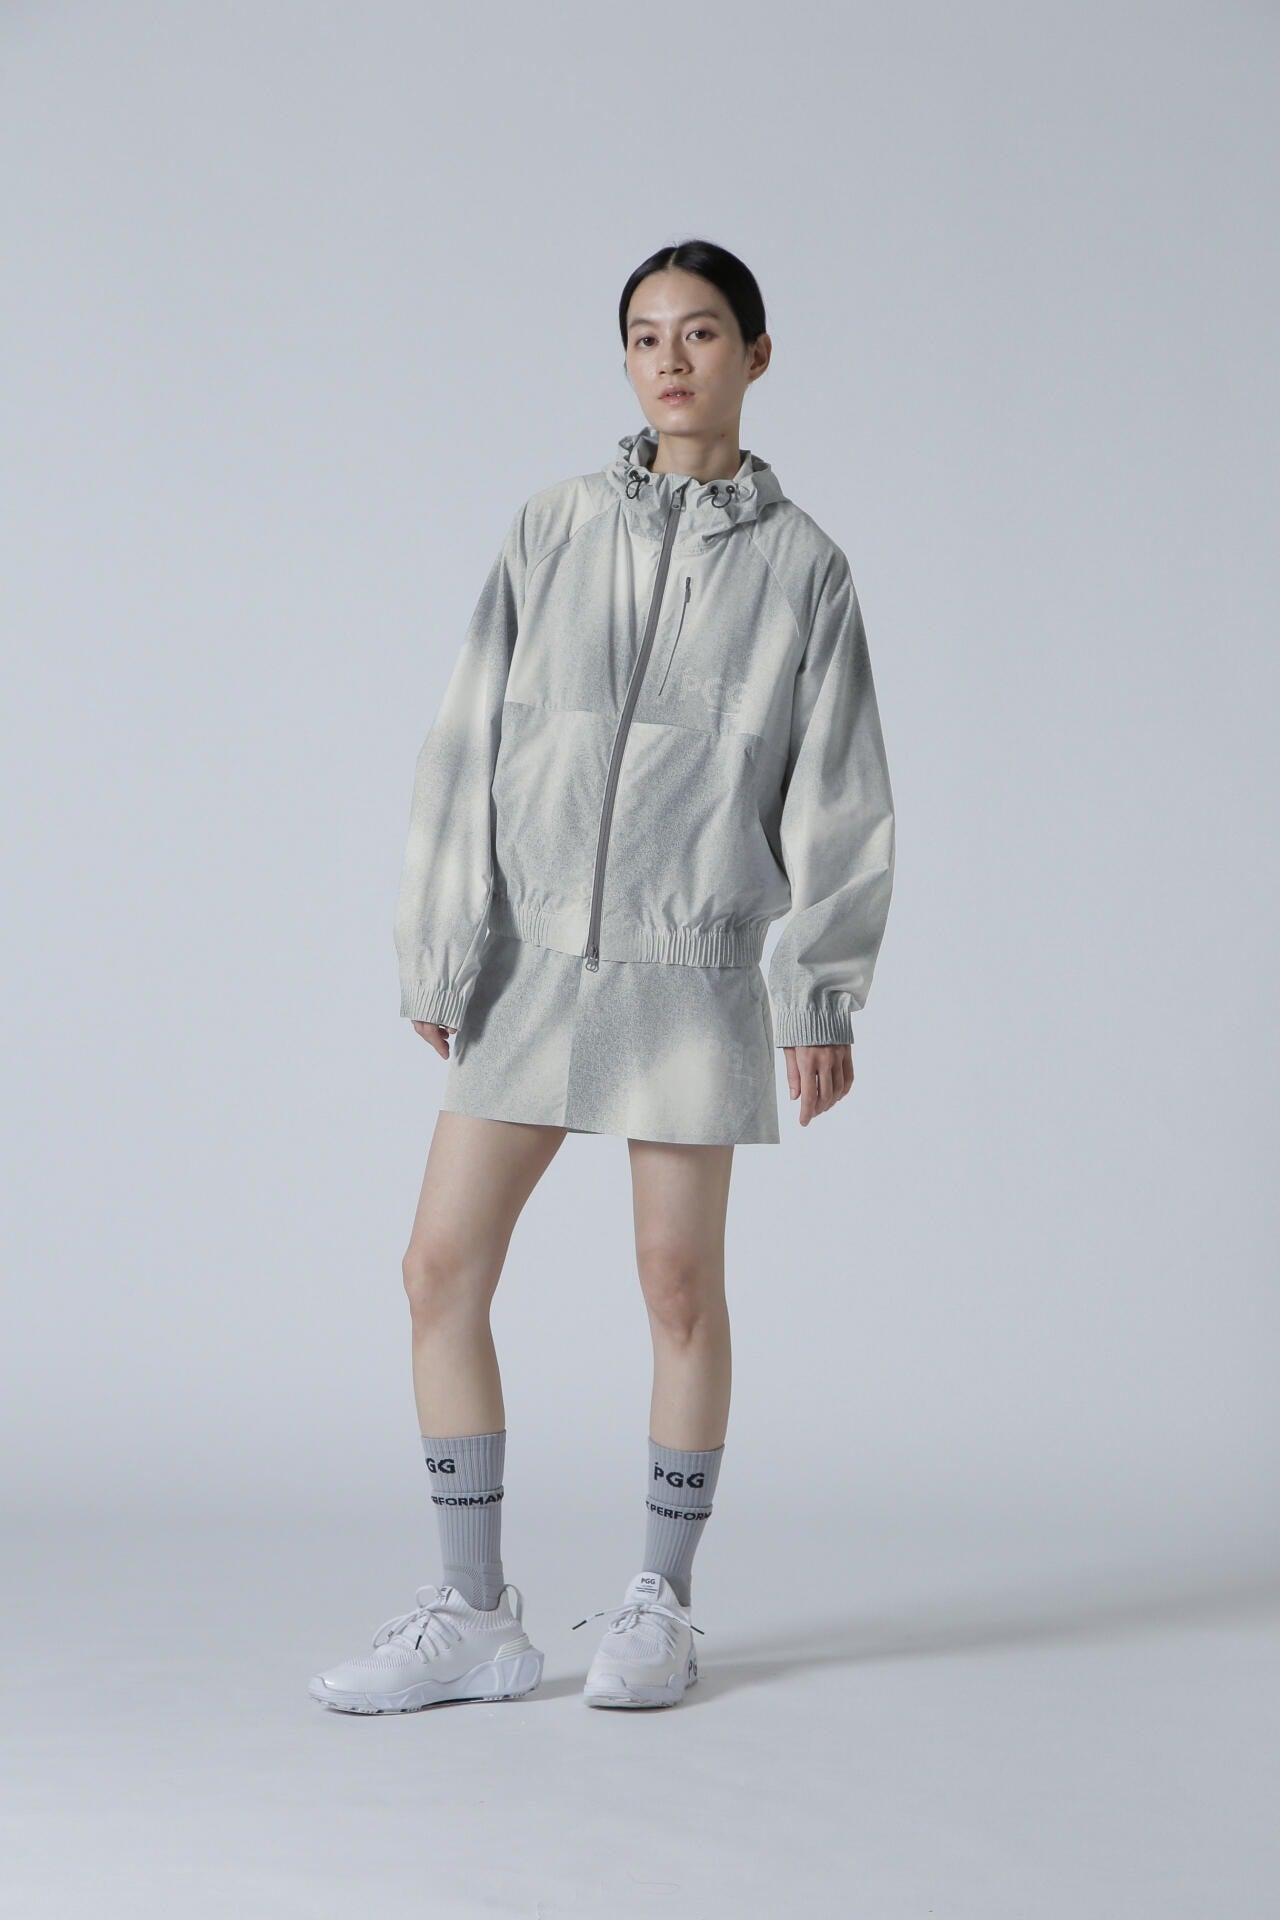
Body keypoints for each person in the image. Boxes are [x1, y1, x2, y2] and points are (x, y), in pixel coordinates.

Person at [309, 238, 896, 1715]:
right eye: (645, 335)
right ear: (625, 360)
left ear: (757, 354)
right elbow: (466, 740)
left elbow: (840, 792)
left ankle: (660, 1604)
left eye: (701, 332)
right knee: (438, 1269)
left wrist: (819, 991)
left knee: (677, 1284)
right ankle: (473, 1611)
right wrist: (443, 936)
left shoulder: (806, 570)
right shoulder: (553, 525)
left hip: (689, 967)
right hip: (529, 959)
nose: (671, 360)